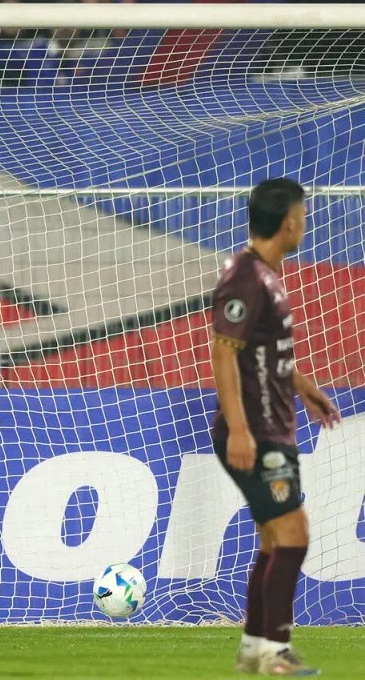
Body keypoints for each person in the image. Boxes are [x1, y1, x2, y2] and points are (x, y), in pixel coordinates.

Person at [211, 178, 339, 677]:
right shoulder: (245, 278)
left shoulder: (265, 275)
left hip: (274, 425)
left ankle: (253, 650)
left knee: (273, 538)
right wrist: (240, 430)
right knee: (293, 534)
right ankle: (274, 652)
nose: (304, 222)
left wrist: (303, 387)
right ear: (289, 220)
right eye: (303, 214)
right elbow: (224, 353)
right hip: (257, 432)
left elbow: (264, 354)